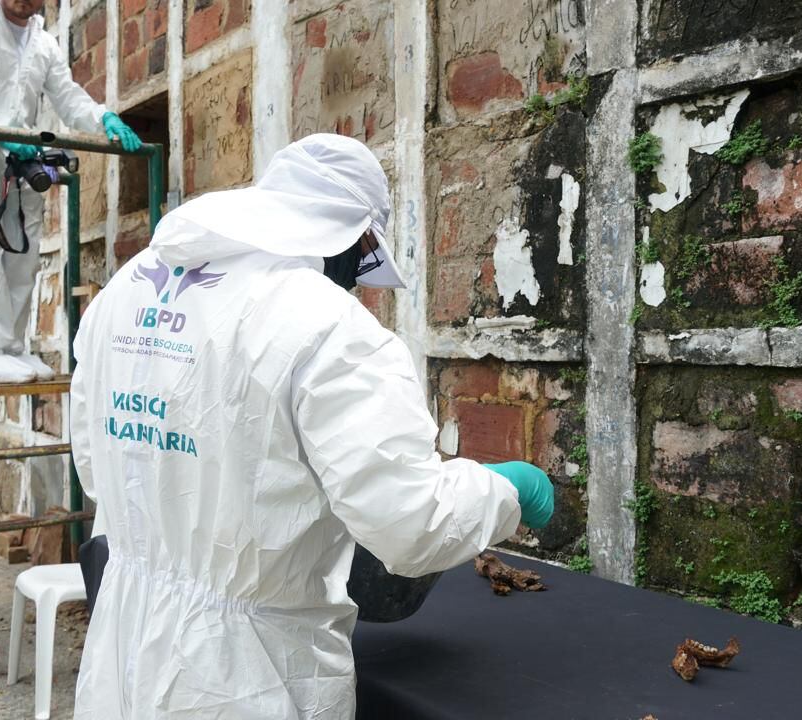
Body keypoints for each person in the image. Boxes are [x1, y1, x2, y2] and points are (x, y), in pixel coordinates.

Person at [68, 134, 555, 719]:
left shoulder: (125, 291)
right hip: (246, 677)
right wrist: (504, 490)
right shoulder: (327, 325)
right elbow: (409, 523)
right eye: (364, 257)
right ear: (353, 236)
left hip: (124, 641)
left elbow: (96, 467)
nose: (354, 280)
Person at [0, 0, 142, 383]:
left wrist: (103, 118)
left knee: (22, 251)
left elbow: (67, 96)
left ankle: (11, 348)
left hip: (15, 151)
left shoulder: (43, 43)